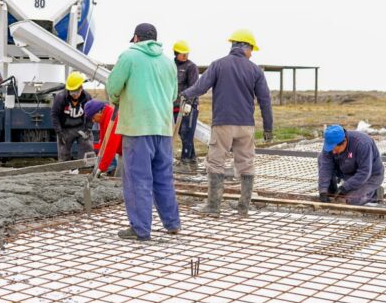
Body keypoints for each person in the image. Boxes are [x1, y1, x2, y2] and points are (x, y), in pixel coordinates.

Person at [181, 29, 273, 217]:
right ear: (244, 47)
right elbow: (265, 100)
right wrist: (268, 128)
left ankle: (213, 207)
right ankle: (243, 208)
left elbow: (200, 87)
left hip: (223, 124)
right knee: (246, 164)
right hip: (246, 126)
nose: (252, 53)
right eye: (251, 49)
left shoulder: (218, 65)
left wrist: (183, 95)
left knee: (216, 162)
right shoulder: (255, 70)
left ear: (234, 45)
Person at [106, 23, 181, 241]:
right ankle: (172, 223)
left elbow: (113, 88)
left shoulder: (129, 57)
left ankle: (140, 229)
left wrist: (119, 100)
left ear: (136, 38)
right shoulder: (169, 63)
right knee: (164, 178)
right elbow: (174, 94)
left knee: (138, 178)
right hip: (163, 128)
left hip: (137, 128)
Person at [318, 124, 384, 205]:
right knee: (321, 157)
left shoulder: (362, 143)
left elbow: (364, 172)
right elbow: (325, 167)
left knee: (352, 200)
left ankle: (374, 193)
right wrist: (323, 191)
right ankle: (331, 191)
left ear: (344, 141)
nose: (333, 152)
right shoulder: (331, 142)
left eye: (335, 149)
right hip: (346, 171)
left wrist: (345, 187)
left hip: (370, 177)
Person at [51, 71, 94, 161]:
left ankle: (85, 170)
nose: (74, 95)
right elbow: (54, 115)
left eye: (76, 92)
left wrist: (88, 128)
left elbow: (91, 114)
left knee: (87, 148)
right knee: (63, 154)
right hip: (65, 129)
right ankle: (64, 172)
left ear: (81, 88)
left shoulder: (87, 98)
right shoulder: (60, 98)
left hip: (81, 127)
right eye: (72, 92)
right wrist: (59, 132)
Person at [172, 40, 200, 174]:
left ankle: (185, 161)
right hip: (175, 106)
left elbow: (195, 87)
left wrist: (189, 104)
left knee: (186, 132)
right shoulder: (171, 66)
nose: (185, 56)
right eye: (182, 54)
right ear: (176, 54)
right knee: (182, 133)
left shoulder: (191, 67)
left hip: (189, 106)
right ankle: (192, 159)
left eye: (186, 54)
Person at [84, 100, 122, 175]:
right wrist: (99, 162)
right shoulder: (104, 117)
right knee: (119, 177)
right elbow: (103, 141)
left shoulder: (112, 117)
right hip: (123, 152)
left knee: (121, 179)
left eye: (93, 118)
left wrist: (101, 168)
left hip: (131, 151)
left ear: (99, 112)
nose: (93, 121)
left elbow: (110, 145)